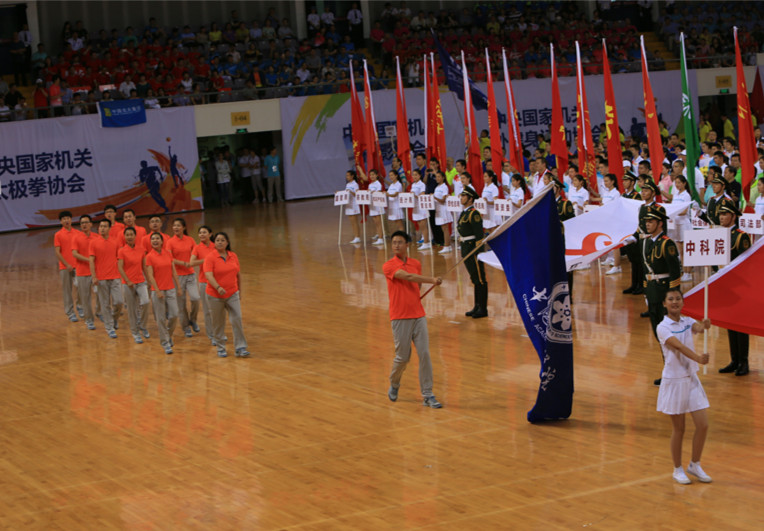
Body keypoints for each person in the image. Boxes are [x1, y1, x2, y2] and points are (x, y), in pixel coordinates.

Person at [656, 288, 712, 485]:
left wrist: (704, 325)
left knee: (703, 425)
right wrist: (698, 358)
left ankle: (694, 464)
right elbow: (678, 346)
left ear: (682, 302)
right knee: (679, 429)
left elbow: (697, 328)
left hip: (691, 379)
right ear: (664, 303)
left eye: (678, 299)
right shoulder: (662, 327)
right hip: (674, 381)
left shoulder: (687, 321)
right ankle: (677, 469)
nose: (675, 302)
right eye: (670, 299)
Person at [383, 231, 443, 408]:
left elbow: (417, 285)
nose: (396, 245)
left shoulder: (415, 263)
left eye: (400, 242)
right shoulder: (388, 266)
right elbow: (408, 277)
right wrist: (432, 279)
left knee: (424, 354)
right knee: (403, 357)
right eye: (394, 242)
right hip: (400, 317)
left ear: (407, 244)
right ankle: (395, 383)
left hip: (418, 315)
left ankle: (428, 394)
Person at [641, 208, 682, 385]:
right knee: (659, 335)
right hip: (653, 292)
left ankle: (674, 371)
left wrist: (673, 299)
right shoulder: (646, 242)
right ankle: (669, 370)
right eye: (646, 222)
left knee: (669, 335)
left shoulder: (667, 243)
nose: (647, 224)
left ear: (660, 224)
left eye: (651, 221)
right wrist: (646, 292)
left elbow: (675, 272)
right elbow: (645, 270)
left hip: (664, 292)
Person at [716, 201, 751, 376]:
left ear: (733, 216)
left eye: (725, 214)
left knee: (740, 324)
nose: (722, 217)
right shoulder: (718, 235)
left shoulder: (740, 237)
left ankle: (744, 361)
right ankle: (734, 359)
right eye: (720, 214)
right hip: (724, 285)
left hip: (738, 286)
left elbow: (746, 263)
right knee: (729, 322)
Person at [203, 232, 250, 358]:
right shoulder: (210, 257)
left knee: (237, 319)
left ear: (227, 242)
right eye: (217, 240)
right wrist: (218, 287)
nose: (220, 242)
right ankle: (221, 347)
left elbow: (238, 274)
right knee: (218, 322)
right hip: (215, 296)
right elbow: (208, 275)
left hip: (232, 293)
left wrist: (239, 291)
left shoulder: (233, 256)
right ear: (214, 243)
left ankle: (240, 347)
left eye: (222, 240)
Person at [623, 180, 665, 296]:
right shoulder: (641, 207)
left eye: (646, 191)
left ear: (653, 193)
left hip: (651, 239)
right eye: (642, 191)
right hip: (641, 239)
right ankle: (635, 284)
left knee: (646, 264)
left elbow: (663, 227)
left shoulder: (658, 208)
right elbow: (640, 225)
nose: (643, 193)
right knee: (635, 261)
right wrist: (634, 237)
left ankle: (643, 286)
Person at [145, 232, 180, 355]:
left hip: (170, 289)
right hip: (157, 291)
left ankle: (168, 335)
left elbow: (173, 272)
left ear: (161, 241)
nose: (155, 241)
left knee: (174, 314)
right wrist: (157, 290)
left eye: (157, 239)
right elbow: (150, 275)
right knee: (160, 318)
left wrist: (179, 287)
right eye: (153, 239)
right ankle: (165, 343)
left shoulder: (168, 254)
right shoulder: (149, 256)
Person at [89, 219, 124, 339]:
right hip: (101, 278)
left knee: (119, 302)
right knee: (105, 304)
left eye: (105, 226)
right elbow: (91, 261)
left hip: (115, 276)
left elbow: (120, 259)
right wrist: (94, 276)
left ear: (109, 228)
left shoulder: (116, 241)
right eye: (100, 226)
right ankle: (109, 328)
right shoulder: (93, 242)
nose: (102, 228)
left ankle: (114, 318)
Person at [458, 188, 488, 319]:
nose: (461, 198)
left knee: (480, 279)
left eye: (464, 196)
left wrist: (477, 252)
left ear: (470, 199)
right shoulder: (464, 213)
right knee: (475, 278)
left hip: (473, 249)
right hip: (466, 247)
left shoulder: (474, 213)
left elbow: (479, 236)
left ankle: (483, 308)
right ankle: (477, 306)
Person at [167, 218, 200, 338]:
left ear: (184, 227)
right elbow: (170, 258)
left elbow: (196, 253)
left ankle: (193, 320)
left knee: (195, 298)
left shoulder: (190, 240)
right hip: (177, 276)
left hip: (190, 274)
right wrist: (183, 263)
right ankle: (185, 327)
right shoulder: (170, 242)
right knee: (181, 304)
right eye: (174, 226)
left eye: (178, 225)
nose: (175, 228)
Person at [117, 226, 150, 344]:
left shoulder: (141, 249)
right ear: (124, 237)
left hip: (141, 281)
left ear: (135, 236)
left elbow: (144, 266)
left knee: (146, 302)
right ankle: (135, 333)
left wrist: (149, 280)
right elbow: (120, 267)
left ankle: (143, 326)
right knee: (132, 309)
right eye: (127, 235)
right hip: (128, 284)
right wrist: (127, 280)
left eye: (131, 234)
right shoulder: (121, 251)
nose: (129, 237)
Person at [71, 214, 99, 330]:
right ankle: (89, 320)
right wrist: (89, 260)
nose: (84, 225)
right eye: (82, 223)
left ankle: (100, 312)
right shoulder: (76, 238)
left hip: (96, 272)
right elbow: (74, 253)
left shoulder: (96, 237)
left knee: (101, 294)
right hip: (82, 272)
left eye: (86, 222)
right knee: (85, 298)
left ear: (91, 224)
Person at [190, 226, 216, 344]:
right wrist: (206, 260)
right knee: (207, 310)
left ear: (210, 234)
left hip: (217, 282)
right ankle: (211, 335)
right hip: (204, 282)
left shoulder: (215, 246)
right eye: (200, 233)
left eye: (204, 232)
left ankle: (218, 332)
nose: (201, 235)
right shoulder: (197, 248)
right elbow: (191, 262)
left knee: (217, 310)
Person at [54, 210, 79, 322]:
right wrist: (66, 264)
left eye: (68, 218)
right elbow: (57, 252)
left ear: (71, 219)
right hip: (65, 267)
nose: (66, 220)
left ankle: (80, 306)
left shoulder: (77, 233)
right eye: (64, 219)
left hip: (78, 266)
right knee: (67, 290)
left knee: (81, 288)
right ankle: (70, 312)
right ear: (61, 221)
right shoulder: (58, 235)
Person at [410, 169, 431, 250]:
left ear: (419, 176)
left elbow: (422, 195)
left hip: (422, 207)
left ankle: (426, 242)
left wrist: (414, 195)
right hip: (415, 207)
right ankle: (425, 241)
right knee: (420, 225)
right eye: (413, 175)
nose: (414, 176)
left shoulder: (422, 184)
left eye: (416, 175)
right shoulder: (413, 185)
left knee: (423, 225)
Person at [433, 170, 453, 254]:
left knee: (445, 228)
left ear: (443, 178)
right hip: (438, 209)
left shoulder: (444, 187)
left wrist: (434, 197)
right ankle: (447, 245)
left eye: (439, 177)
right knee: (442, 228)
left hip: (444, 209)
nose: (437, 178)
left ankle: (447, 246)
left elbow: (443, 200)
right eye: (436, 177)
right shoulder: (437, 187)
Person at [343, 170, 362, 244]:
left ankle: (358, 237)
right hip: (349, 204)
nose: (347, 177)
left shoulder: (355, 184)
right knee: (351, 222)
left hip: (354, 204)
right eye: (346, 175)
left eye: (348, 175)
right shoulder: (348, 184)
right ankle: (355, 236)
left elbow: (357, 194)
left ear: (352, 176)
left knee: (355, 222)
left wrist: (350, 191)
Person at [386, 169, 404, 233]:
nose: (390, 177)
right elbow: (388, 193)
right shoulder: (391, 185)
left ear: (396, 176)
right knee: (395, 222)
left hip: (397, 206)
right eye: (389, 176)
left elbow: (395, 194)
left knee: (399, 223)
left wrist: (388, 194)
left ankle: (402, 236)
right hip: (392, 206)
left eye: (392, 175)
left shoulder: (399, 184)